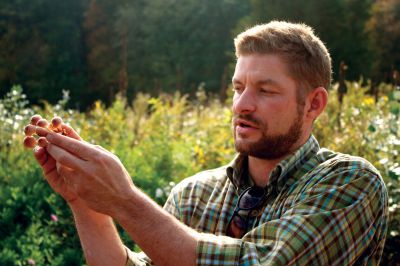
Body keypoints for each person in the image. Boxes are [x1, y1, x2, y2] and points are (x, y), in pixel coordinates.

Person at [29, 21, 388, 265]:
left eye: (265, 90)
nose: (242, 105)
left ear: (314, 104)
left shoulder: (350, 183)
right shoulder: (194, 193)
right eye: (238, 88)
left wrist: (125, 200)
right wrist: (84, 200)